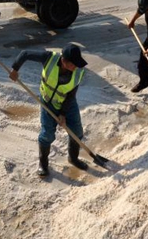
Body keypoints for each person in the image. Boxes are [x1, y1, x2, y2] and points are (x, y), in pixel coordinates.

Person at [9, 44, 89, 177]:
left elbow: (71, 94)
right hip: (48, 103)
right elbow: (25, 53)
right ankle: (43, 164)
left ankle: (73, 158)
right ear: (63, 60)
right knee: (47, 135)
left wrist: (63, 113)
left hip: (67, 103)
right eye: (73, 64)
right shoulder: (49, 58)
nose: (75, 67)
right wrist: (15, 69)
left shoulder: (79, 71)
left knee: (77, 132)